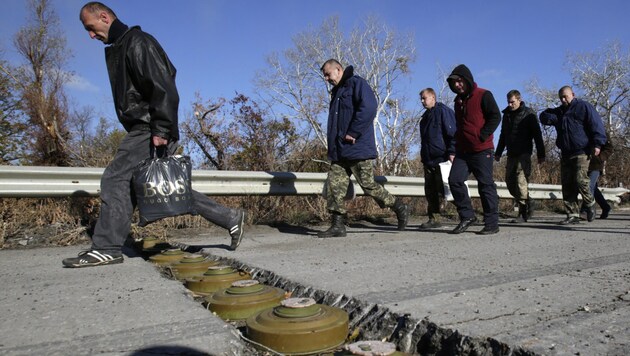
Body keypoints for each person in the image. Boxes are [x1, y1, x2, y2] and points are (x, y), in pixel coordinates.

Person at [63, 2, 246, 268]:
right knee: (164, 187)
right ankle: (230, 218)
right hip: (148, 126)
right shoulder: (123, 46)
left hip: (150, 127)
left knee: (115, 179)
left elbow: (164, 85)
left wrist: (161, 129)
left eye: (91, 28)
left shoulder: (137, 42)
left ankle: (106, 247)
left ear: (104, 17)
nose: (91, 35)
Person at [317, 59, 408, 238]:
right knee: (335, 187)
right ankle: (338, 225)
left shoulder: (357, 84)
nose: (326, 79)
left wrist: (353, 132)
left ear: (338, 69)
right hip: (339, 151)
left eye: (328, 74)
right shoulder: (336, 92)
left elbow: (369, 107)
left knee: (368, 185)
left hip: (356, 147)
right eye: (324, 76)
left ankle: (399, 206)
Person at [446, 64, 502, 235]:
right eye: (454, 83)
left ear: (467, 80)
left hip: (482, 149)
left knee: (485, 185)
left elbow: (495, 116)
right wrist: (453, 149)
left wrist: (482, 135)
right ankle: (467, 216)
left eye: (460, 81)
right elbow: (460, 127)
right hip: (463, 150)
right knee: (454, 180)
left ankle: (492, 222)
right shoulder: (457, 101)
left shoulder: (483, 95)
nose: (457, 85)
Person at [539, 86, 607, 225]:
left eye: (566, 96)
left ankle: (590, 203)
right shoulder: (559, 112)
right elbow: (544, 117)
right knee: (568, 185)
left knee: (581, 180)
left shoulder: (583, 107)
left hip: (582, 150)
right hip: (566, 152)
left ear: (573, 94)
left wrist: (598, 144)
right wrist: (550, 116)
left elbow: (596, 124)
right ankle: (572, 215)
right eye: (561, 98)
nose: (563, 100)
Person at [494, 90, 546, 223]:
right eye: (508, 102)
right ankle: (529, 201)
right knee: (510, 183)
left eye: (513, 102)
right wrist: (498, 152)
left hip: (524, 153)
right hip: (511, 153)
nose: (510, 105)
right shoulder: (507, 116)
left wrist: (541, 154)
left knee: (521, 182)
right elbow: (503, 136)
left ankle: (522, 213)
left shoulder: (529, 113)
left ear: (519, 99)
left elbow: (537, 135)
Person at [418, 88, 456, 229]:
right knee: (430, 191)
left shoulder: (443, 112)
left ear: (433, 97)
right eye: (421, 99)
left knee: (447, 189)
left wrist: (452, 152)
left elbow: (453, 134)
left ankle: (467, 213)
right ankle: (434, 218)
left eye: (424, 98)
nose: (422, 101)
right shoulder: (424, 118)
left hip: (442, 158)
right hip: (428, 159)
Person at [582, 133, 613, 219]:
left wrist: (600, 158)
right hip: (583, 163)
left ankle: (585, 210)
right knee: (593, 189)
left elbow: (609, 148)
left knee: (589, 186)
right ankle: (606, 207)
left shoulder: (600, 131)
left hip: (595, 165)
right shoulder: (581, 129)